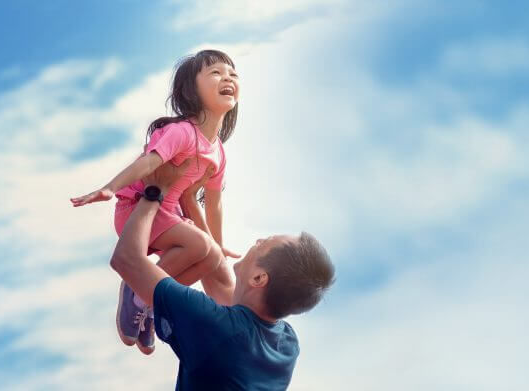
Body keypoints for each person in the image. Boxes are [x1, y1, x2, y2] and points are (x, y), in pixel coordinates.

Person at [70, 49, 242, 354]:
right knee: (199, 247)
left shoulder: (218, 152)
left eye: (232, 73)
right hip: (137, 209)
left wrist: (219, 244)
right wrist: (110, 187)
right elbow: (150, 163)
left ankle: (151, 304)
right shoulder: (180, 132)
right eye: (215, 72)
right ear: (191, 90)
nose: (227, 76)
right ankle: (138, 290)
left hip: (170, 215)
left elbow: (212, 203)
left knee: (210, 256)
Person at [112, 159, 336, 390]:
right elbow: (219, 274)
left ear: (259, 279)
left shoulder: (215, 327)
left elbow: (126, 260)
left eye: (264, 243)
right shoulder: (285, 343)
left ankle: (139, 298)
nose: (257, 240)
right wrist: (188, 197)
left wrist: (154, 192)